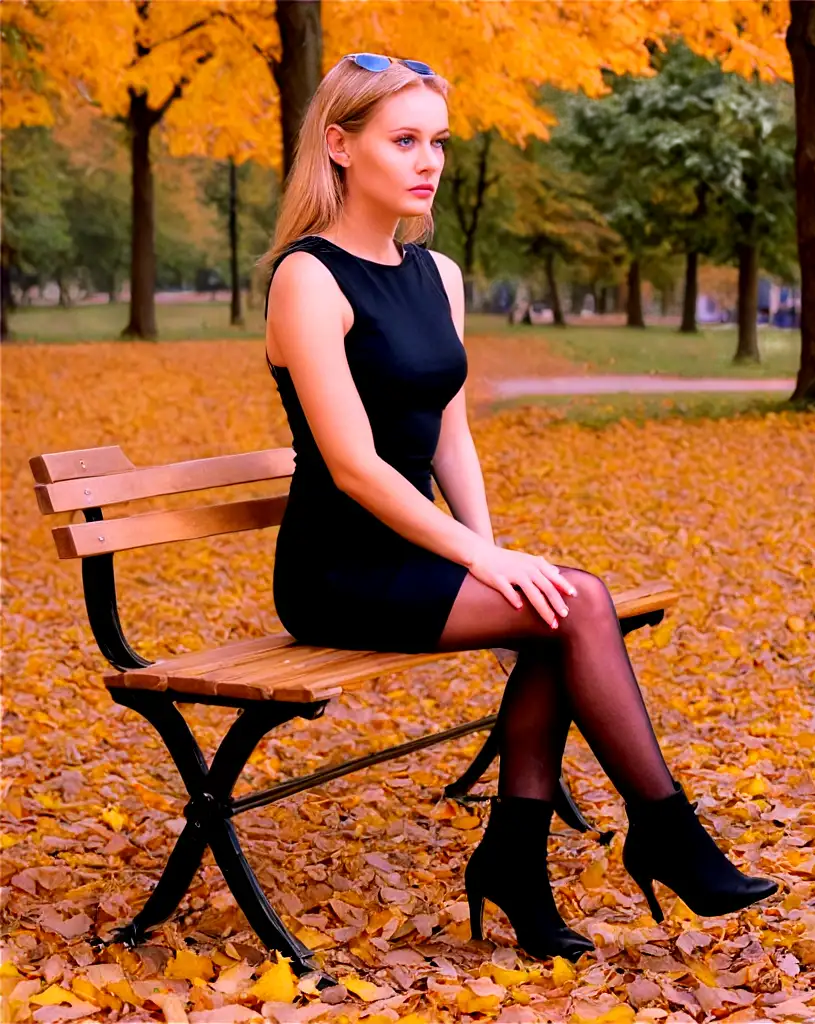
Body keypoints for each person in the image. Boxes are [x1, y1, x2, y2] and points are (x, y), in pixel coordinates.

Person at [258, 53, 777, 963]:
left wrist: (486, 556)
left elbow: (450, 436)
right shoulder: (309, 278)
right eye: (404, 140)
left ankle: (516, 862)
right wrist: (483, 564)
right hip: (337, 569)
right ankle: (662, 830)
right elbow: (353, 467)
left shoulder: (439, 276)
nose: (429, 162)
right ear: (339, 147)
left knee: (554, 608)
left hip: (420, 554)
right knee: (575, 599)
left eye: (440, 143)